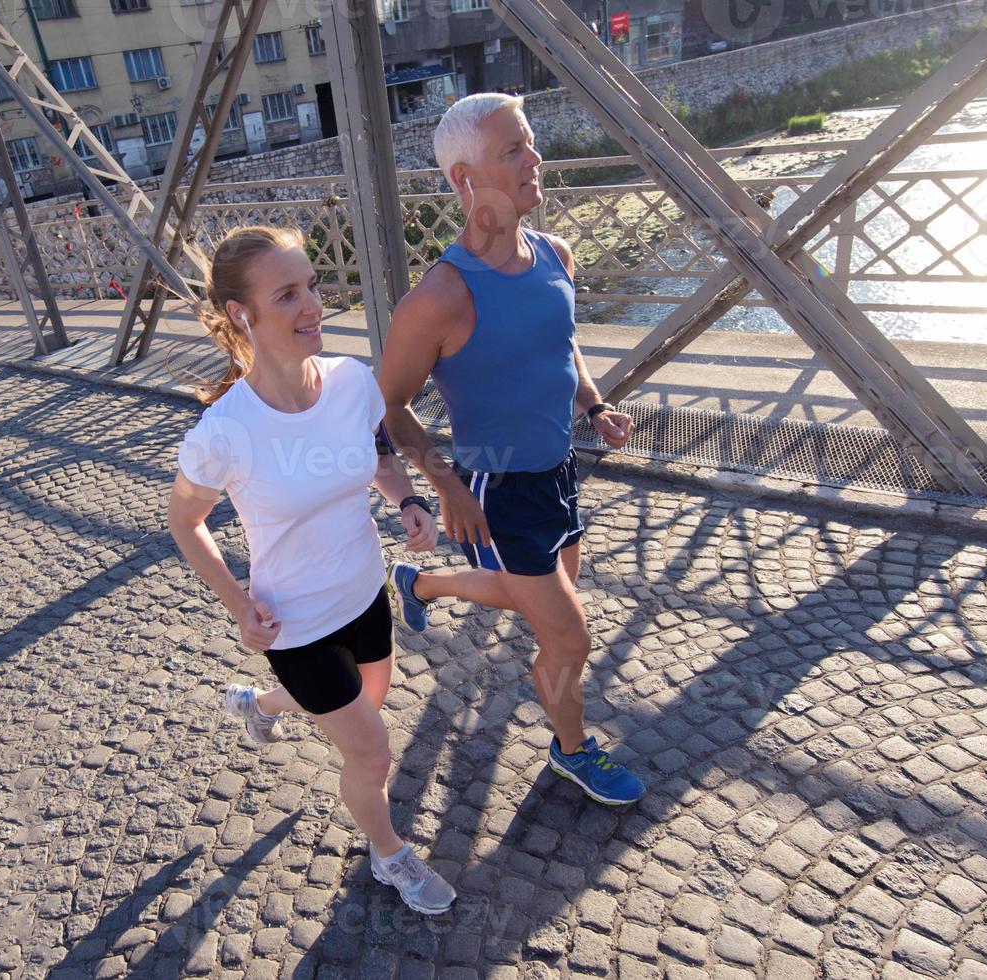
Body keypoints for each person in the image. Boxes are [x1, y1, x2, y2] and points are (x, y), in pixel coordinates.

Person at [166, 226, 455, 914]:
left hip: (364, 595)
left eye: (313, 287)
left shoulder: (352, 382)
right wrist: (239, 604)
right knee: (372, 751)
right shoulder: (224, 432)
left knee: (361, 708)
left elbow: (375, 458)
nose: (312, 306)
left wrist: (408, 501)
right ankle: (389, 857)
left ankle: (256, 706)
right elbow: (184, 522)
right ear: (243, 314)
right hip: (294, 623)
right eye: (288, 294)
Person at [377, 94, 646, 807]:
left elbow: (560, 342)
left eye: (529, 145)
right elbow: (390, 404)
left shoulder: (554, 254)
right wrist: (444, 484)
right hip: (496, 488)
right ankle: (572, 749)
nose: (534, 161)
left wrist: (593, 405)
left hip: (558, 472)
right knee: (568, 635)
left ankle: (422, 584)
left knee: (538, 605)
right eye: (513, 152)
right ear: (465, 179)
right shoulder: (438, 298)